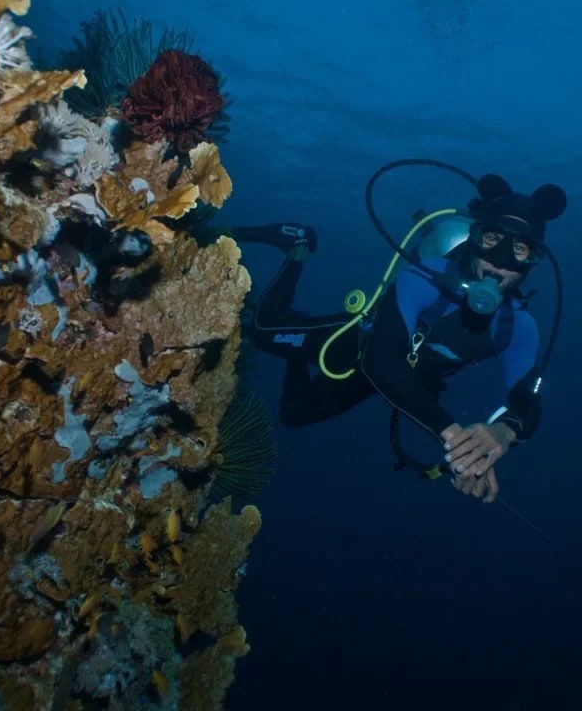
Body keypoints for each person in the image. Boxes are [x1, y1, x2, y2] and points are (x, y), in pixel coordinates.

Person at [233, 172, 567, 503]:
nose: (500, 261)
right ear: (475, 237)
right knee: (262, 329)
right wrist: (455, 437)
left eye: (521, 249)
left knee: (293, 414)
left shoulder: (517, 327)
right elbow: (382, 361)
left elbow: (526, 402)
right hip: (362, 342)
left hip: (402, 380)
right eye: (492, 240)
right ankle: (298, 245)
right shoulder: (426, 278)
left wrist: (501, 433)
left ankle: (298, 347)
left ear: (533, 262)